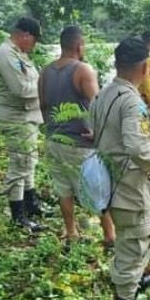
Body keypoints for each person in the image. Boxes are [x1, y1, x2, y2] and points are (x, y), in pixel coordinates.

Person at [91, 37, 150, 300]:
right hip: (130, 186)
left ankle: (126, 290)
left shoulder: (103, 94)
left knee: (127, 241)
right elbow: (136, 144)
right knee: (134, 243)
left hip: (108, 181)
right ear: (144, 67)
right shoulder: (132, 101)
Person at [38, 25, 115, 252]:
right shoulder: (83, 70)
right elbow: (99, 105)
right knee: (98, 188)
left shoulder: (45, 71)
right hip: (81, 143)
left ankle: (71, 232)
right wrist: (98, 132)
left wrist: (52, 127)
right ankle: (110, 235)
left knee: (64, 189)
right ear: (79, 46)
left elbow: (42, 105)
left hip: (54, 140)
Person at [0, 17, 46, 233]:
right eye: (34, 41)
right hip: (16, 117)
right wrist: (44, 87)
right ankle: (18, 215)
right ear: (25, 35)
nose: (34, 46)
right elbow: (21, 89)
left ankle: (31, 204)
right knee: (19, 165)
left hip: (28, 117)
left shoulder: (19, 54)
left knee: (29, 161)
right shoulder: (7, 54)